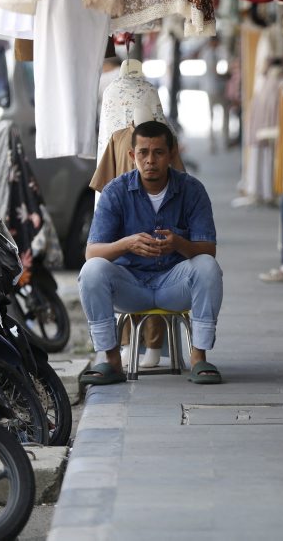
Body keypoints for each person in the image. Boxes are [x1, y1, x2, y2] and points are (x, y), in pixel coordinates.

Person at [77, 121, 224, 385]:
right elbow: (92, 252)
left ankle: (198, 358)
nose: (150, 160)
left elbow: (208, 249)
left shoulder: (192, 190)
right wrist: (126, 244)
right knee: (92, 271)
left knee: (207, 266)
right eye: (143, 152)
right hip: (130, 286)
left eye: (158, 152)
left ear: (172, 154)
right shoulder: (116, 191)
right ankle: (111, 360)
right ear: (131, 155)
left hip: (174, 285)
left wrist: (179, 244)